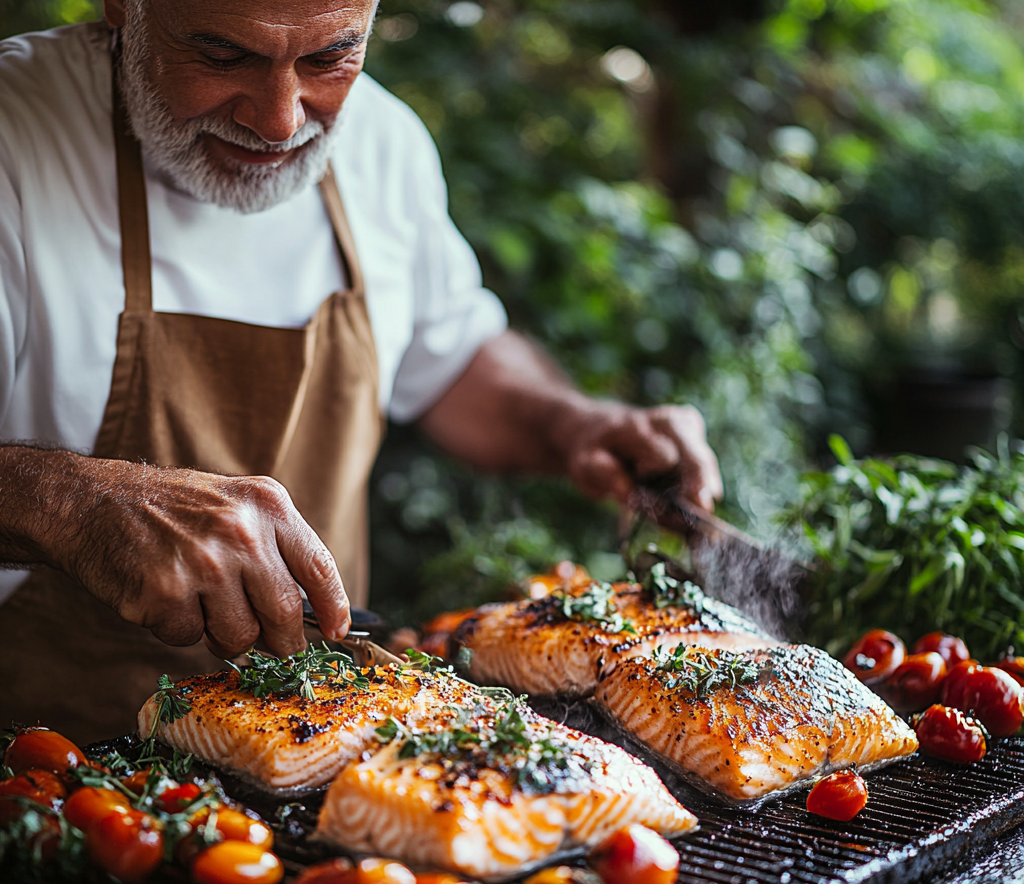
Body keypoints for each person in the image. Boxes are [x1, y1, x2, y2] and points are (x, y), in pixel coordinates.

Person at [0, 0, 722, 742]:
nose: (280, 121)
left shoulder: (382, 144)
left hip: (324, 751)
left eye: (328, 58)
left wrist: (570, 421)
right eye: (222, 56)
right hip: (48, 774)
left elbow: (452, 358)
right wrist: (74, 506)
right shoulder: (14, 136)